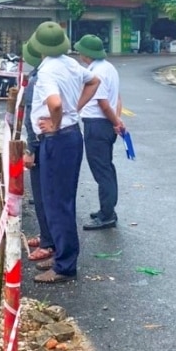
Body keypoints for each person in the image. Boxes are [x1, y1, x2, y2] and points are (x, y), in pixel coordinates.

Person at [29, 21, 100, 284]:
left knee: (56, 203)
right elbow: (94, 81)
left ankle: (65, 265)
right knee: (61, 200)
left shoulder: (47, 71)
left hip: (57, 139)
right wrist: (75, 109)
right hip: (71, 136)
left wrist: (57, 120)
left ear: (38, 47)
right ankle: (61, 254)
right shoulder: (71, 63)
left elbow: (55, 103)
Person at [74, 34, 125, 230]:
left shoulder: (98, 72)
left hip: (97, 124)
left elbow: (103, 103)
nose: (79, 55)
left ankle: (107, 215)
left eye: (81, 52)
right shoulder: (108, 67)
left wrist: (114, 121)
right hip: (105, 124)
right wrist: (117, 120)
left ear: (87, 54)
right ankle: (107, 209)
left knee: (101, 170)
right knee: (107, 168)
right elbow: (117, 97)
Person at [21, 40, 54, 262]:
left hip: (41, 142)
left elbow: (33, 116)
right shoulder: (40, 74)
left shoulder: (38, 78)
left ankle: (48, 242)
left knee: (43, 195)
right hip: (46, 140)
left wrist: (30, 149)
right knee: (44, 194)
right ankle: (45, 235)